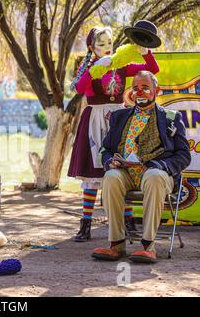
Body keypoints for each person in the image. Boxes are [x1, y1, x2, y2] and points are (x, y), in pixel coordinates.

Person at [68, 25, 160, 242]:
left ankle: (128, 221)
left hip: (119, 119)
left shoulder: (120, 66)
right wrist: (94, 69)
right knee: (92, 172)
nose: (107, 48)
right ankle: (86, 223)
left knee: (122, 168)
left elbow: (152, 70)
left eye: (109, 43)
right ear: (91, 47)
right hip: (95, 120)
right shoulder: (89, 67)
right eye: (101, 44)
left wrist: (145, 52)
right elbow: (80, 88)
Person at [92, 71, 191, 263]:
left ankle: (147, 245)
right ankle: (117, 244)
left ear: (156, 90)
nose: (140, 92)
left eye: (145, 88)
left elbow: (183, 155)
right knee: (111, 176)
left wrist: (159, 165)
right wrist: (109, 161)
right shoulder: (119, 117)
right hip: (126, 173)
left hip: (156, 174)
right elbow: (105, 148)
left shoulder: (171, 117)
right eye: (136, 88)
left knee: (154, 175)